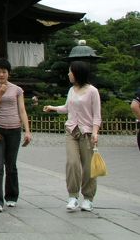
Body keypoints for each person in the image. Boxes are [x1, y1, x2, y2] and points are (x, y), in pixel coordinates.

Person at [43, 60, 102, 212]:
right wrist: (53, 108)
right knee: (72, 163)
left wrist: (95, 133)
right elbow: (67, 108)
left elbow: (97, 115)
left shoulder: (92, 91)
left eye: (70, 71)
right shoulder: (71, 90)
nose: (68, 74)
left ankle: (88, 198)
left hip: (87, 133)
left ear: (77, 73)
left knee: (88, 167)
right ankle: (73, 196)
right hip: (71, 131)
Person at [0, 59, 32, 212]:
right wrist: (0, 94)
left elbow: (22, 110)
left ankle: (11, 196)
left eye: (4, 71)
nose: (1, 74)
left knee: (11, 165)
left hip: (14, 129)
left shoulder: (17, 90)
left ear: (8, 73)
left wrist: (27, 130)